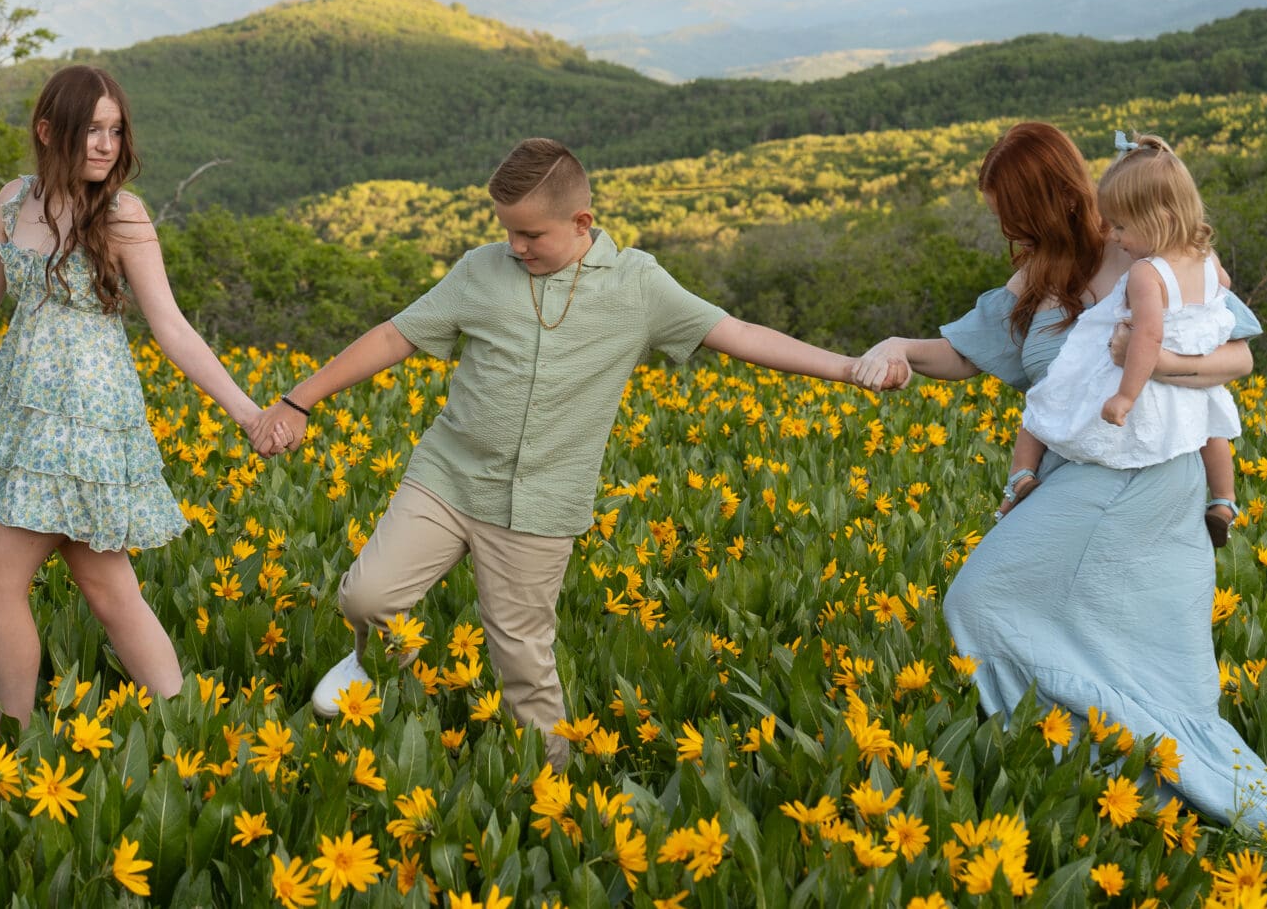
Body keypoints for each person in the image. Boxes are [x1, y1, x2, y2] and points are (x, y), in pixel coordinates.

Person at [252, 137, 865, 769]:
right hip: (449, 477)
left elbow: (739, 334)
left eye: (530, 235)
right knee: (366, 599)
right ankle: (381, 665)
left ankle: (553, 795)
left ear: (581, 223)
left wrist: (846, 367)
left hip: (542, 503)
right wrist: (298, 401)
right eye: (507, 232)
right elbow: (395, 336)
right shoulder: (479, 270)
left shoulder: (639, 285)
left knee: (523, 664)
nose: (515, 247)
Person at [851, 121, 1267, 835]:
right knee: (1086, 640)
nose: (1004, 226)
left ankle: (1219, 814)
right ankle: (1123, 793)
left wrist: (1147, 368)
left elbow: (1239, 357)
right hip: (1078, 480)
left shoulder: (1143, 253)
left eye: (1011, 210)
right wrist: (897, 346)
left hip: (1145, 478)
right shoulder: (1036, 278)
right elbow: (964, 354)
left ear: (1050, 197)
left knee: (1002, 607)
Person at [0, 64, 262, 720]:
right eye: (91, 130)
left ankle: (12, 742)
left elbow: (171, 326)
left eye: (115, 130)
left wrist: (247, 410)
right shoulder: (12, 200)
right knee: (108, 590)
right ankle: (186, 731)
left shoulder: (122, 212)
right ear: (48, 130)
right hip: (37, 416)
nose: (106, 145)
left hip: (84, 418)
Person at [1000, 134, 1243, 546]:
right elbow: (1222, 289)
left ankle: (1020, 477)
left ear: (1160, 219)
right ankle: (1224, 501)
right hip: (1194, 365)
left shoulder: (1146, 273)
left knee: (1053, 397)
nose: (1112, 236)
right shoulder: (1208, 259)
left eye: (1123, 226)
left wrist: (1126, 397)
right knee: (1209, 432)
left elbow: (1147, 336)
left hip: (1142, 369)